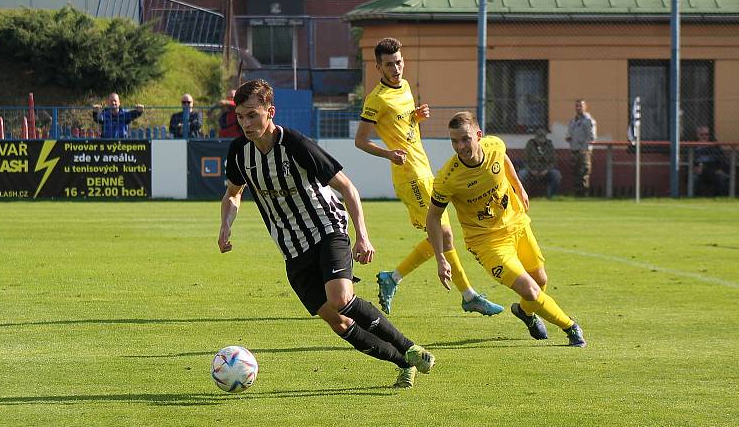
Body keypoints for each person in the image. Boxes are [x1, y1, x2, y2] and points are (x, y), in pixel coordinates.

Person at [218, 79, 435, 389]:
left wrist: (362, 236)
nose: (246, 123)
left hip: (326, 229)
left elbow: (347, 187)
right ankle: (404, 362)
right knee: (338, 322)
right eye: (240, 116)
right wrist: (226, 226)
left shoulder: (295, 144)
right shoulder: (239, 152)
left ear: (270, 112)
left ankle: (410, 347)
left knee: (342, 299)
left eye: (252, 115)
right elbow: (233, 193)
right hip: (291, 247)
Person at [354, 37, 502, 317]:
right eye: (389, 64)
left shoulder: (406, 86)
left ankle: (395, 278)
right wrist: (388, 154)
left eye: (398, 62)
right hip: (409, 175)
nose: (396, 68)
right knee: (443, 234)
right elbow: (360, 141)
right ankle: (467, 294)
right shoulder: (376, 99)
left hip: (423, 167)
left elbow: (403, 123)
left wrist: (416, 117)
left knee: (443, 236)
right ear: (378, 67)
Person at [426, 111, 586, 347]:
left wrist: (518, 185)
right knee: (531, 291)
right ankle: (570, 327)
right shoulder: (448, 178)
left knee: (540, 281)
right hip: (486, 242)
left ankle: (525, 313)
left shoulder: (494, 145)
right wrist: (440, 258)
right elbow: (433, 217)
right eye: (454, 141)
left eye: (465, 139)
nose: (459, 146)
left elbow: (503, 159)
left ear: (479, 136)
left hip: (516, 224)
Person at [518, 127, 562, 198]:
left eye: (542, 138)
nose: (540, 141)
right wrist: (531, 170)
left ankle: (551, 196)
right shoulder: (530, 144)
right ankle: (522, 196)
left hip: (545, 170)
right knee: (521, 175)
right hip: (531, 169)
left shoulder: (549, 145)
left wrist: (546, 170)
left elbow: (553, 161)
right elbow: (525, 160)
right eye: (539, 138)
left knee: (556, 175)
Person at [565, 99, 597, 196]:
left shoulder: (588, 120)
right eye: (577, 106)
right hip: (574, 150)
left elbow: (592, 137)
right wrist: (569, 138)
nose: (578, 108)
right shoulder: (573, 121)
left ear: (585, 107)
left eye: (580, 106)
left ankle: (584, 195)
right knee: (575, 173)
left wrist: (585, 149)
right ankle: (577, 194)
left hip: (584, 152)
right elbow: (569, 134)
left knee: (584, 173)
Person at [693, 126, 729, 196]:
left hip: (713, 170)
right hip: (699, 170)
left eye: (706, 134)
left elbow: (722, 159)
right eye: (702, 134)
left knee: (721, 177)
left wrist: (719, 169)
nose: (704, 136)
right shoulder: (692, 146)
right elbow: (687, 160)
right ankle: (695, 199)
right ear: (697, 135)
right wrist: (693, 168)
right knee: (695, 178)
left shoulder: (715, 146)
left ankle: (718, 199)